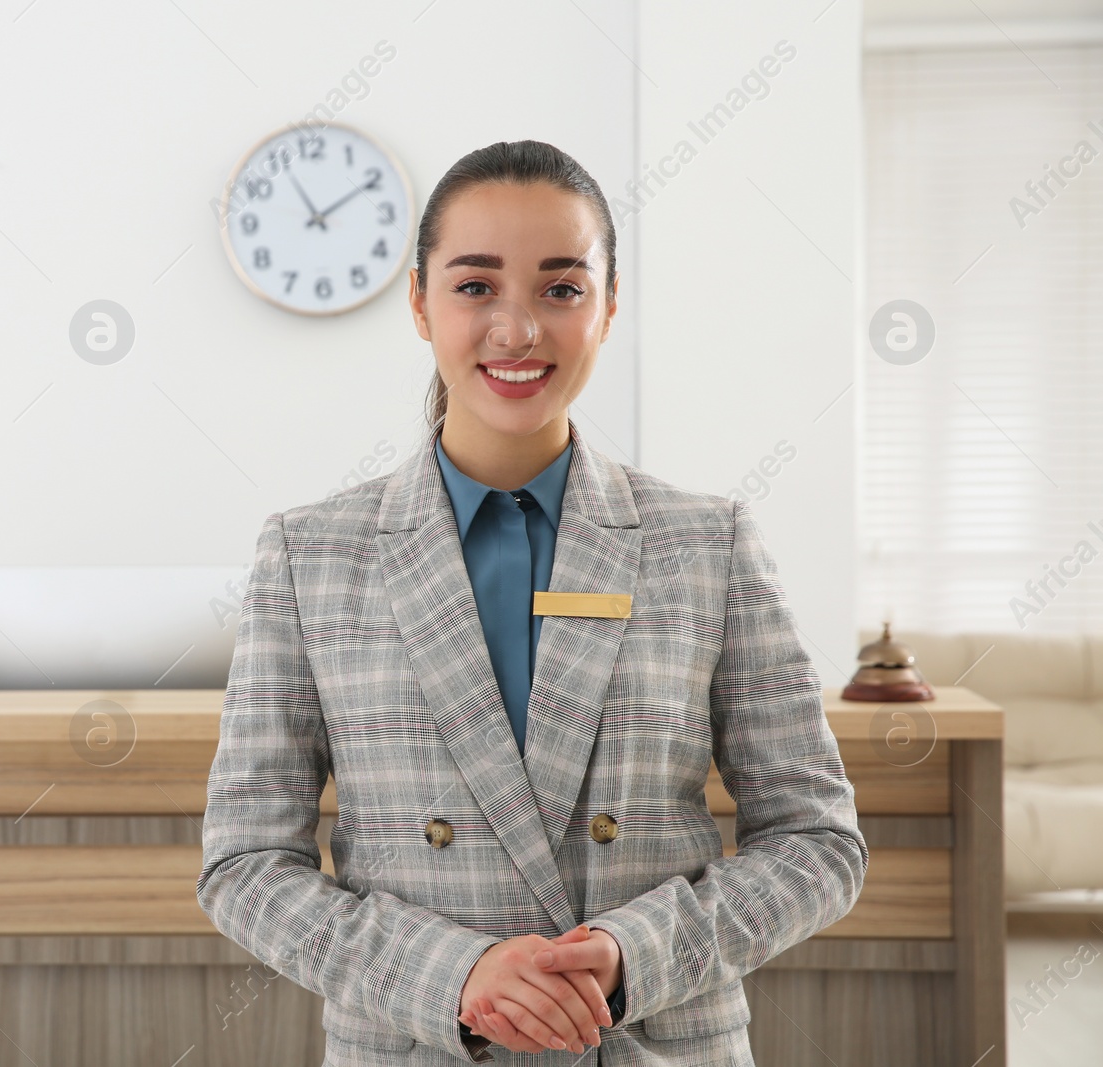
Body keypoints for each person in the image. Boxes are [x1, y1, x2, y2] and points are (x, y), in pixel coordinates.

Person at [197, 139, 868, 1065]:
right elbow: (243, 868)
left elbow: (817, 840)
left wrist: (637, 955)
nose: (517, 331)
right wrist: (453, 974)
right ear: (420, 304)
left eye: (561, 289)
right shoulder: (310, 555)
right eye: (476, 287)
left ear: (609, 305)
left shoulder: (706, 542)